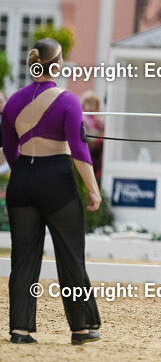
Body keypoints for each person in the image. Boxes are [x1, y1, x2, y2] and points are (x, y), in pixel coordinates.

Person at [2, 38, 101, 344]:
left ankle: (20, 329)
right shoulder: (68, 100)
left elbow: (8, 148)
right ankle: (81, 328)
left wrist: (26, 175)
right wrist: (93, 189)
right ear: (57, 65)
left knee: (23, 259)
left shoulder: (13, 102)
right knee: (70, 255)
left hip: (22, 181)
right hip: (56, 180)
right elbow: (79, 149)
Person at [81, 91, 104, 182]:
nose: (91, 107)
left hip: (95, 151)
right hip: (88, 147)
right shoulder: (84, 117)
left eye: (93, 104)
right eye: (88, 103)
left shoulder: (96, 119)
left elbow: (103, 127)